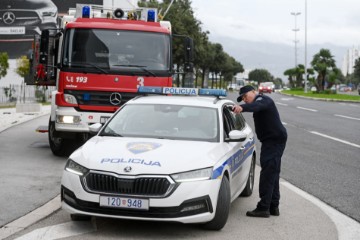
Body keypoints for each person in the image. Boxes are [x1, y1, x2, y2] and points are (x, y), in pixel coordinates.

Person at [233, 85, 287, 218]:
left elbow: (257, 106)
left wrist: (242, 108)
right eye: (243, 98)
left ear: (254, 92)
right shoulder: (258, 102)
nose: (245, 99)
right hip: (272, 140)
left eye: (246, 96)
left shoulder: (264, 100)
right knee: (273, 173)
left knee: (267, 174)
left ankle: (263, 208)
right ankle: (273, 206)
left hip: (273, 141)